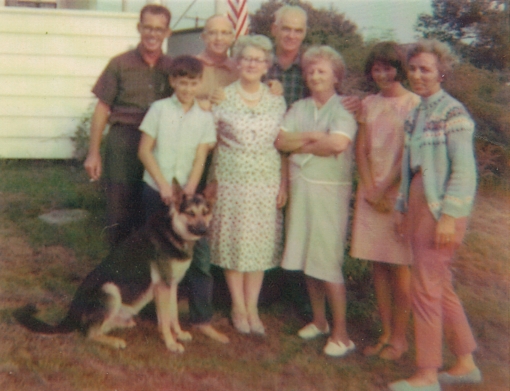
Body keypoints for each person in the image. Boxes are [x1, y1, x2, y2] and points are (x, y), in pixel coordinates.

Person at [389, 40, 480, 391]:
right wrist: (401, 207)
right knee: (438, 285)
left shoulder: (453, 112)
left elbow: (464, 171)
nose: (417, 75)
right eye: (412, 69)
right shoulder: (418, 112)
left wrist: (449, 216)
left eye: (425, 69)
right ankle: (465, 362)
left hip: (442, 206)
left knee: (425, 288)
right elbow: (409, 167)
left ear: (441, 72)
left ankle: (427, 374)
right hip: (417, 201)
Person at [137, 55, 229, 344]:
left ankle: (201, 319)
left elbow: (201, 155)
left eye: (193, 83)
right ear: (172, 81)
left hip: (187, 197)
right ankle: (153, 315)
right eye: (182, 82)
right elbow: (144, 151)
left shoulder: (204, 117)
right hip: (156, 189)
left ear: (199, 83)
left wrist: (189, 188)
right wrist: (164, 185)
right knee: (156, 258)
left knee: (198, 259)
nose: (187, 88)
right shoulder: (159, 109)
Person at [275, 46, 357, 357]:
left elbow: (337, 144)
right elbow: (282, 141)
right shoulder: (299, 107)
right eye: (310, 71)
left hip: (329, 190)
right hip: (302, 188)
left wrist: (303, 142)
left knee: (328, 259)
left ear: (336, 76)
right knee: (308, 255)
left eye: (321, 71)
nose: (314, 76)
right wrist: (313, 138)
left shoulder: (344, 108)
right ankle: (320, 321)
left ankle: (342, 333)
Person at [209, 35, 287, 335]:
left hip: (266, 179)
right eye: (247, 58)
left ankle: (253, 307)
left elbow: (282, 143)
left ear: (267, 65)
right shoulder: (222, 96)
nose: (252, 64)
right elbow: (210, 139)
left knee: (259, 242)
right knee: (234, 240)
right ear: (237, 62)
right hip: (231, 177)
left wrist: (283, 184)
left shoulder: (276, 98)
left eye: (259, 60)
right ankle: (237, 307)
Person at [350, 42, 419, 360]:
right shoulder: (368, 103)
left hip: (399, 195)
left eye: (388, 68)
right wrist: (368, 187)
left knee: (400, 269)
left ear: (399, 69)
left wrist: (384, 190)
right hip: (371, 193)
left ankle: (401, 340)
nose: (382, 74)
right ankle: (386, 333)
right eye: (376, 69)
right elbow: (361, 149)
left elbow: (408, 155)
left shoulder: (414, 104)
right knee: (378, 266)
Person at [84, 4, 172, 247]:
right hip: (124, 143)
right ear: (139, 28)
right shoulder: (119, 64)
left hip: (159, 146)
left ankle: (151, 276)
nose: (153, 34)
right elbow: (102, 108)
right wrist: (93, 153)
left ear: (167, 33)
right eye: (148, 28)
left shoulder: (172, 68)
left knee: (155, 211)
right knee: (120, 212)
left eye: (159, 29)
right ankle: (119, 274)